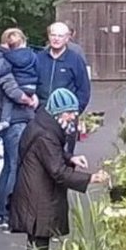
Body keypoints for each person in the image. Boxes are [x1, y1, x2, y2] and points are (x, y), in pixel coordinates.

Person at [9, 88, 109, 250]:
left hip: (32, 190)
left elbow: (53, 154)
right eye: (69, 112)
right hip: (38, 195)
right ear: (58, 112)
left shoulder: (42, 125)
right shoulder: (46, 134)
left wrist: (71, 157)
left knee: (36, 242)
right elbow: (56, 171)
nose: (73, 116)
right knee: (39, 241)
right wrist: (90, 179)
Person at [0, 28, 39, 231]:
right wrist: (29, 100)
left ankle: (1, 212)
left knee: (9, 165)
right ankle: (10, 212)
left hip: (7, 116)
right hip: (15, 117)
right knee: (15, 165)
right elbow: (11, 89)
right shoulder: (6, 61)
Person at [36, 22, 92, 155]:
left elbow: (84, 89)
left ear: (67, 38)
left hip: (67, 117)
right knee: (42, 154)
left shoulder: (75, 60)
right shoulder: (39, 58)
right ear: (49, 37)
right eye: (53, 35)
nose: (56, 39)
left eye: (60, 36)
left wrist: (75, 112)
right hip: (42, 114)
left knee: (65, 156)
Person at [0, 34, 40, 133]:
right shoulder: (33, 55)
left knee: (7, 100)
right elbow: (38, 69)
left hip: (20, 87)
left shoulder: (7, 57)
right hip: (31, 86)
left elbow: (11, 90)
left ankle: (5, 120)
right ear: (24, 42)